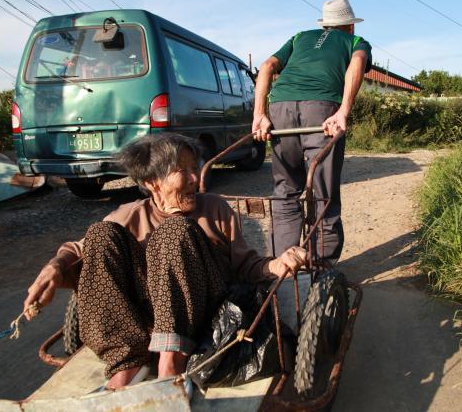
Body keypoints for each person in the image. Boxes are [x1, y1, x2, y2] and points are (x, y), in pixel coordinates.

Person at [23, 133, 306, 389]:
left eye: (195, 168)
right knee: (101, 234)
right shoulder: (130, 214)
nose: (195, 179)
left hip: (204, 315)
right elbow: (80, 250)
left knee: (175, 230)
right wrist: (55, 266)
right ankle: (127, 364)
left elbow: (245, 265)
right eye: (182, 171)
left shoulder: (214, 209)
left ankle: (171, 363)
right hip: (148, 319)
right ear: (152, 183)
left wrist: (276, 264)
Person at [252, 0, 372, 262]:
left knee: (285, 192)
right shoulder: (355, 42)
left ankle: (282, 269)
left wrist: (259, 114)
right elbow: (358, 64)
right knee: (323, 194)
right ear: (350, 25)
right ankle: (321, 270)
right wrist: (343, 111)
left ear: (325, 24)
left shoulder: (299, 37)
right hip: (321, 110)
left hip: (280, 107)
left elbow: (266, 66)